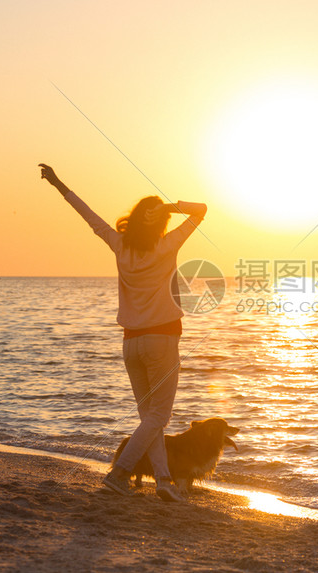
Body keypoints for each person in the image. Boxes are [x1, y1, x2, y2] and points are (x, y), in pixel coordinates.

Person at [38, 163, 207, 503]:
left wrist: (58, 183)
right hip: (162, 339)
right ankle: (119, 473)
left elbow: (88, 215)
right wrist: (171, 207)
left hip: (131, 343)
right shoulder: (168, 245)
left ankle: (162, 480)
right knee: (159, 416)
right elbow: (201, 210)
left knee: (150, 418)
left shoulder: (119, 244)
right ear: (161, 222)